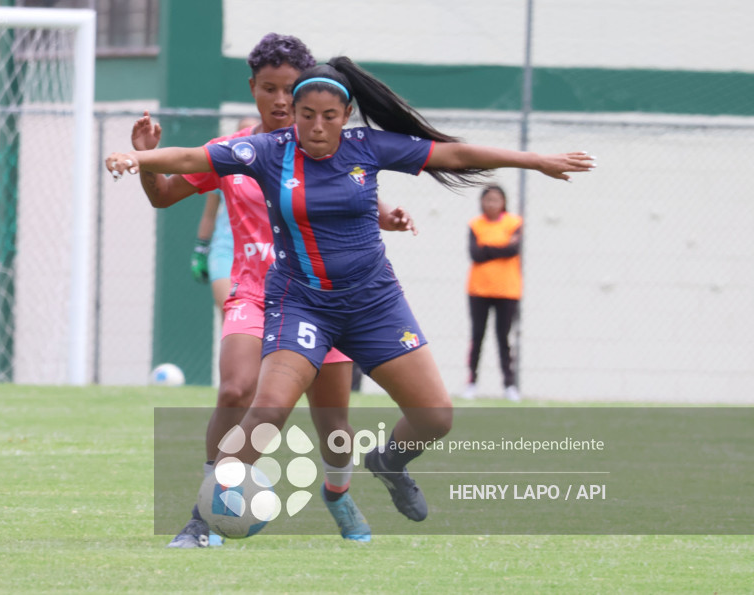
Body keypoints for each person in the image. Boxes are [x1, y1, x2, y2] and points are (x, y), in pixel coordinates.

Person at [107, 56, 595, 525]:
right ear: (294, 115)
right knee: (269, 408)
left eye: (328, 117)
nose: (316, 127)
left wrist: (536, 161)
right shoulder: (267, 152)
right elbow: (191, 157)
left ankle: (387, 462)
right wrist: (138, 156)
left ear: (346, 117)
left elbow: (458, 154)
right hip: (302, 303)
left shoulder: (368, 146)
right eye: (306, 115)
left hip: (373, 304)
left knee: (436, 417)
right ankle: (201, 519)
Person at [128, 35, 415, 547]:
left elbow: (352, 201)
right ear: (253, 89)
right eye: (269, 89)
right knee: (237, 390)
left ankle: (336, 491)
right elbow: (165, 196)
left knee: (334, 424)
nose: (281, 101)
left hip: (326, 300)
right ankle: (205, 514)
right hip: (256, 294)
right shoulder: (236, 151)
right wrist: (148, 161)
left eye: (289, 90)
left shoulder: (327, 148)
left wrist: (385, 215)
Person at [190, 117, 259, 316]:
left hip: (259, 252)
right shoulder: (225, 168)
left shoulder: (270, 165)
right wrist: (200, 249)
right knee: (231, 311)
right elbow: (209, 215)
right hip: (226, 250)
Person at [463, 184, 522, 402]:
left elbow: (513, 249)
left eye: (496, 200)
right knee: (477, 336)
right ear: (482, 202)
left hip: (507, 290)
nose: (491, 204)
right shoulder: (475, 225)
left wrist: (487, 248)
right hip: (478, 289)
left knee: (503, 338)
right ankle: (471, 383)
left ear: (503, 202)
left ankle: (509, 385)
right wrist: (499, 248)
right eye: (488, 200)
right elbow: (475, 254)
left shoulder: (514, 223)